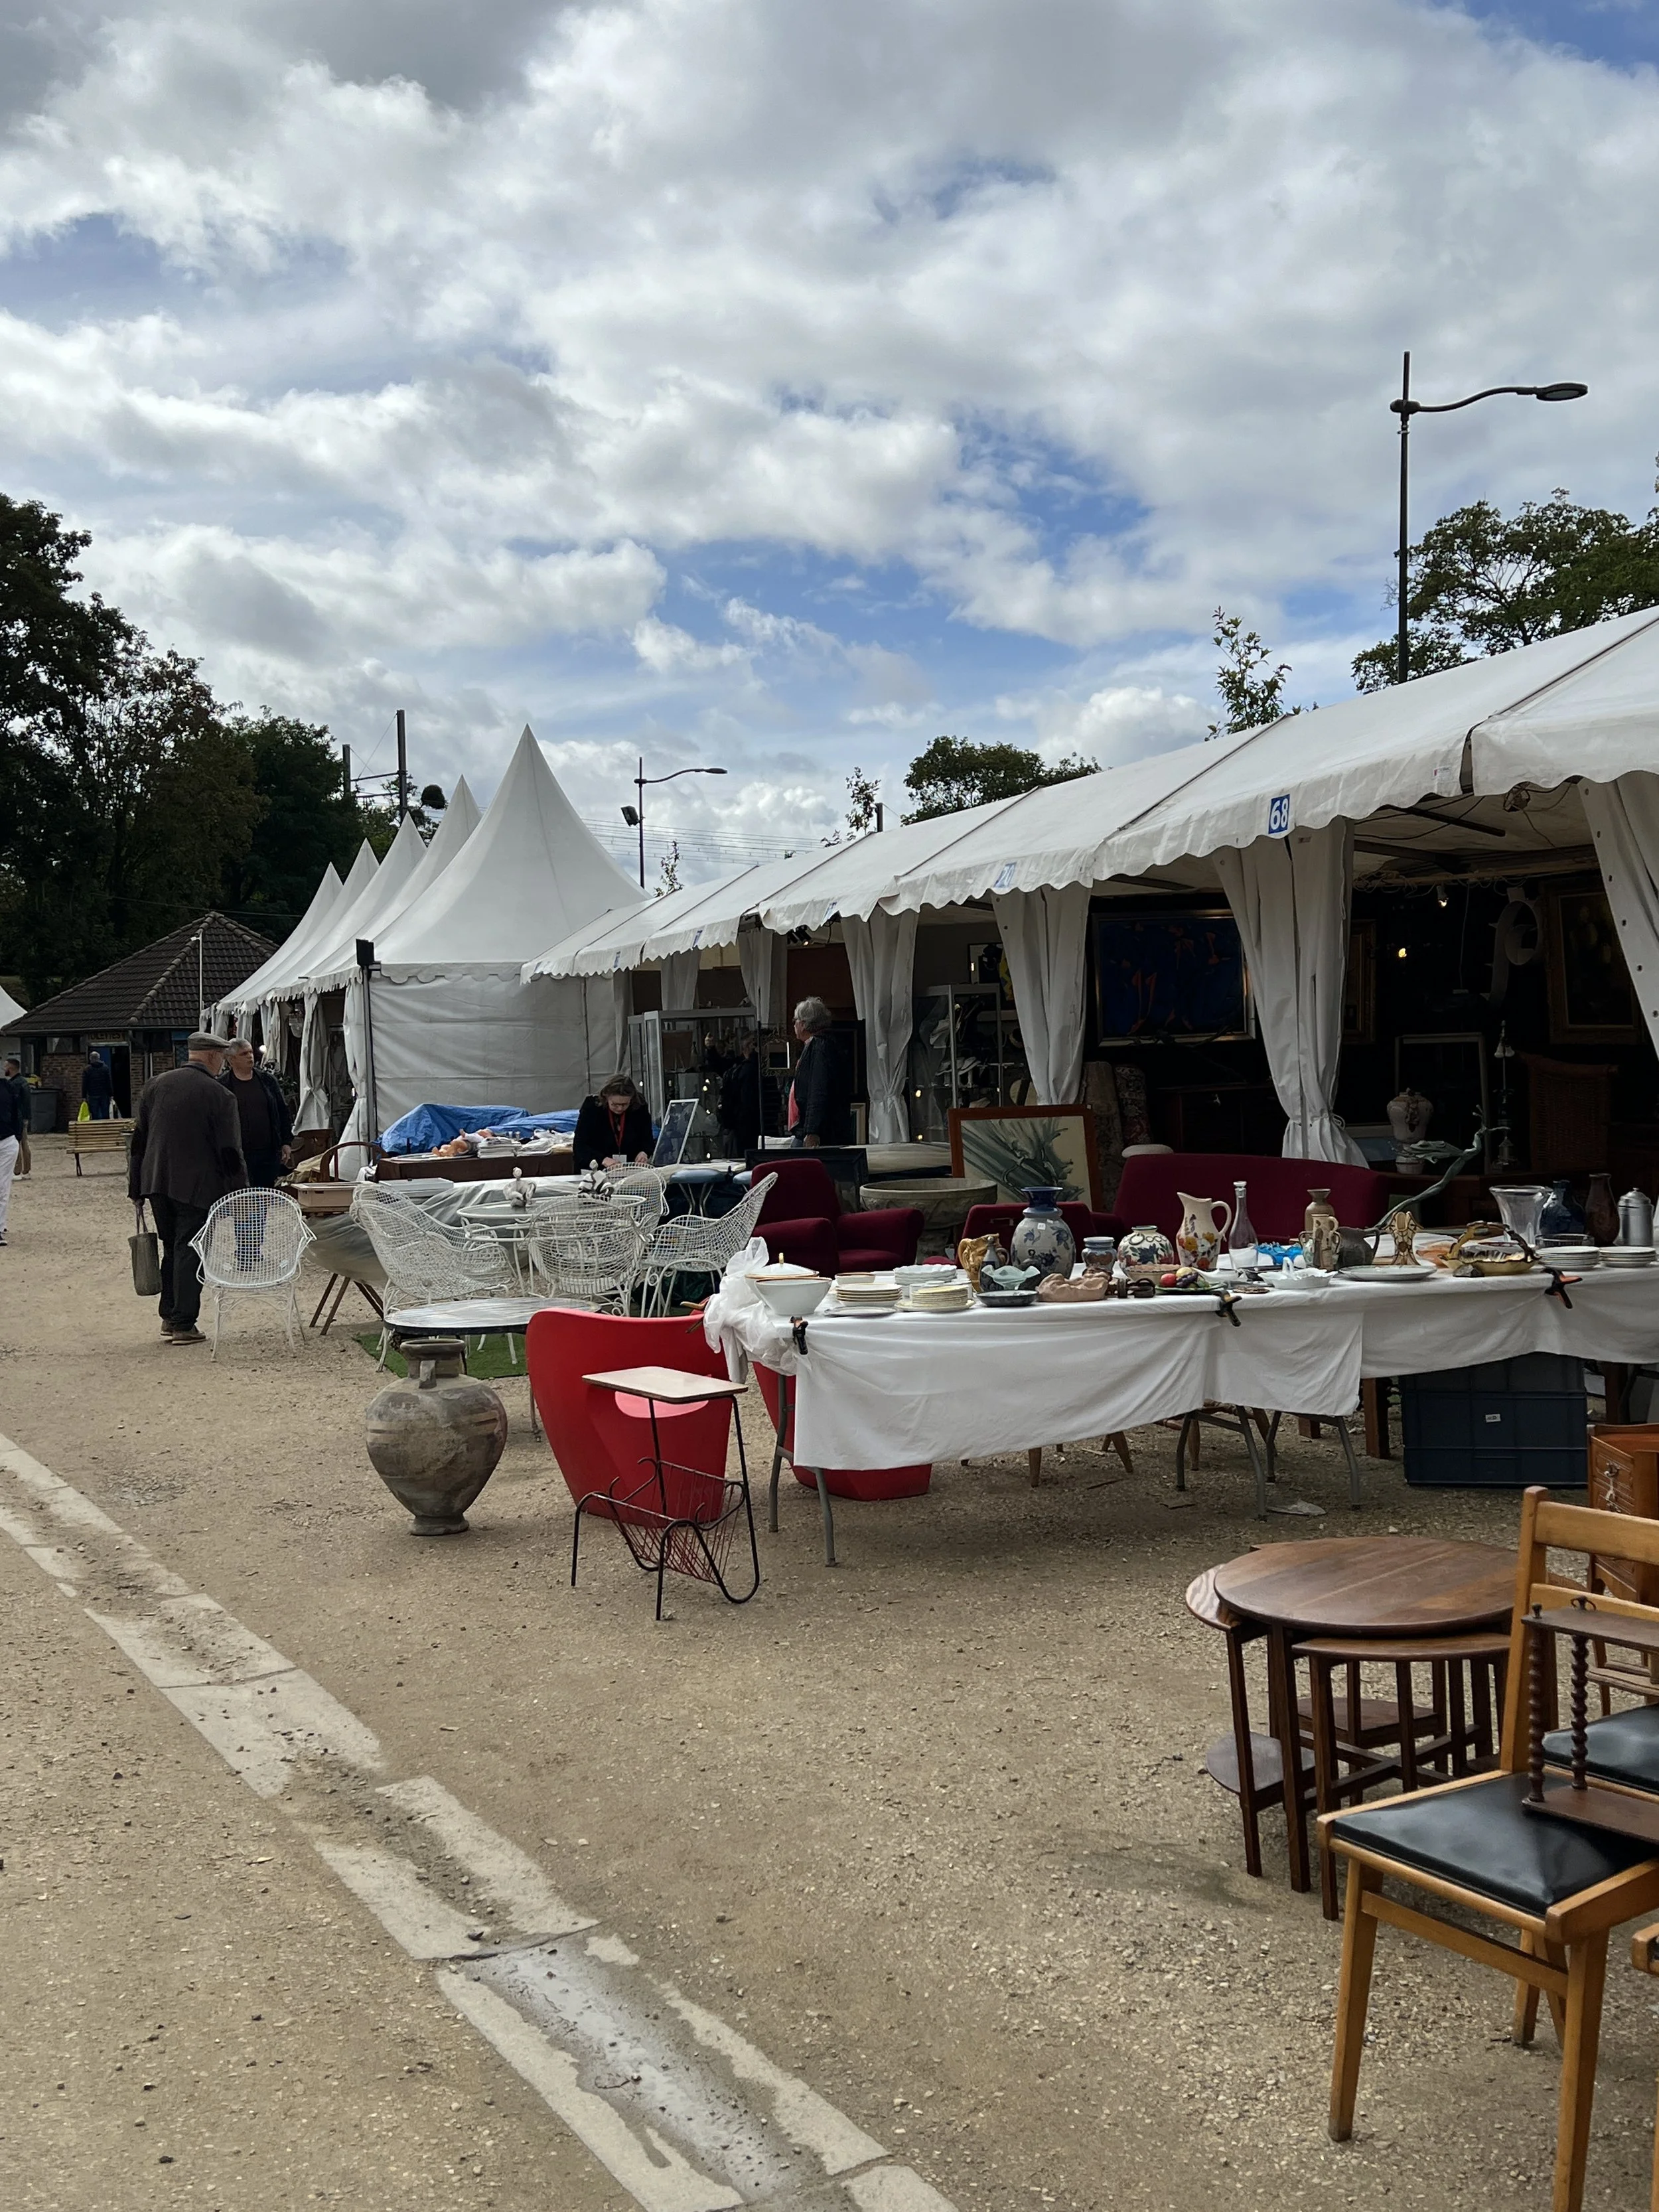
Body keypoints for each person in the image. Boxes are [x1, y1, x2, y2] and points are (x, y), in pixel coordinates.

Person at [127, 1032, 247, 1345]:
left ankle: (169, 1315)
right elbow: (230, 1151)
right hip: (197, 1185)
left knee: (173, 1247)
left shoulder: (155, 1085)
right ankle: (183, 1322)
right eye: (220, 1056)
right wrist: (239, 1192)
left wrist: (135, 1186)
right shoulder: (219, 1095)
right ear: (211, 1056)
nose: (221, 1061)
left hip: (156, 1181)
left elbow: (139, 1139)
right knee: (191, 1249)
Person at [220, 1035, 293, 1187]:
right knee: (241, 1196)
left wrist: (286, 1142)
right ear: (231, 1060)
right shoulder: (223, 1085)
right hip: (238, 1153)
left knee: (264, 1196)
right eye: (244, 1054)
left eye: (250, 1053)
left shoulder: (267, 1081)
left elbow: (282, 1111)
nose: (250, 1057)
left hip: (268, 1151)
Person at [786, 995, 851, 1149]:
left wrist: (812, 1131)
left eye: (795, 1020)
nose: (794, 1024)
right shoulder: (817, 1045)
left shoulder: (820, 1047)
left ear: (804, 1024)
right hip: (807, 1129)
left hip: (817, 1132)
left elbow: (818, 1090)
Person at [573, 1075, 654, 1170]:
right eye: (615, 1104)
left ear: (632, 1100)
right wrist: (602, 1159)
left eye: (625, 1104)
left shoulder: (639, 1106)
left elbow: (648, 1139)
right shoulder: (592, 1107)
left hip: (629, 1168)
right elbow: (580, 1145)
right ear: (606, 1098)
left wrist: (644, 1152)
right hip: (596, 1170)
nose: (620, 1108)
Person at [0, 1053, 27, 1245]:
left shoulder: (9, 1087)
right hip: (9, 1137)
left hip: (7, 1138)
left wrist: (16, 1135)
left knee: (3, 1186)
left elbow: (18, 1111)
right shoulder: (10, 1086)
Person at [3, 1056, 29, 1181]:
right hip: (23, 1116)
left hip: (17, 1118)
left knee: (15, 1142)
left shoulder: (12, 1085)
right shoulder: (23, 1081)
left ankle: (17, 1170)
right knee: (24, 1143)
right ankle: (26, 1169)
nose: (4, 1068)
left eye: (6, 1066)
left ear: (11, 1068)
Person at [81, 1048, 115, 1120]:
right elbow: (109, 1082)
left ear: (90, 1059)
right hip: (104, 1094)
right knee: (105, 1114)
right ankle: (107, 1129)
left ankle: (95, 1128)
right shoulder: (105, 1068)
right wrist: (111, 1094)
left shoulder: (87, 1069)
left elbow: (84, 1084)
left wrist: (84, 1096)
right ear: (99, 1058)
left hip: (92, 1095)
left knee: (94, 1115)